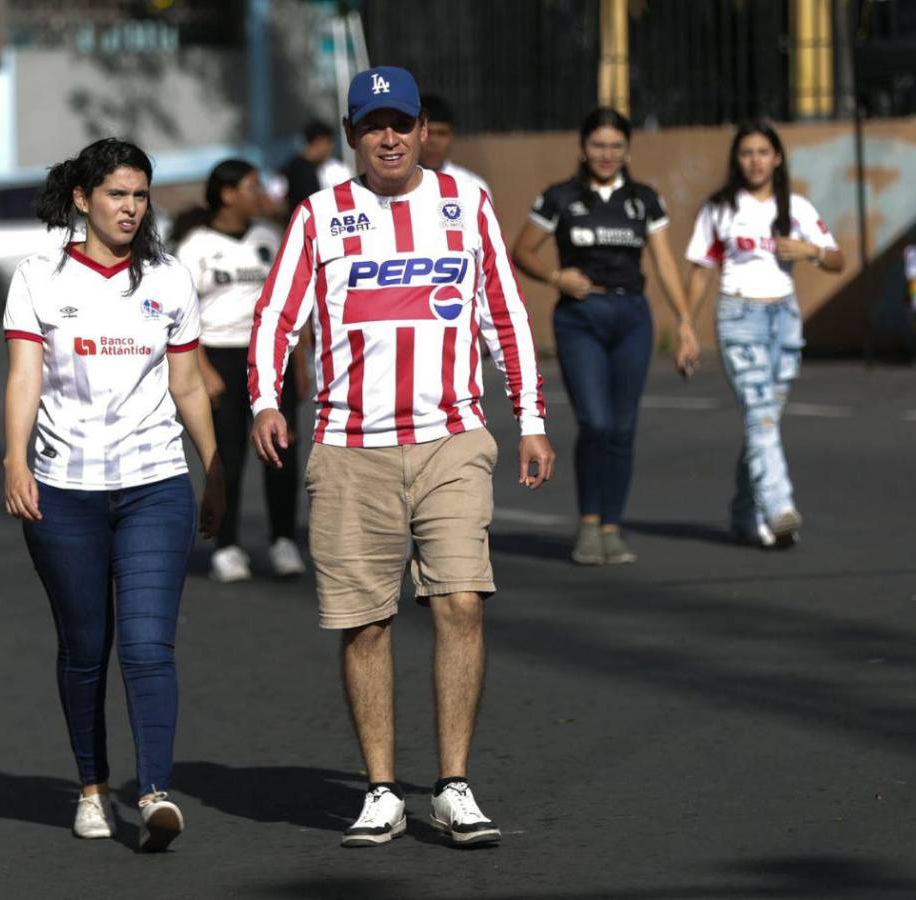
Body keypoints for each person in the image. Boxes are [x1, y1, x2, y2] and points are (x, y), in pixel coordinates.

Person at [249, 66, 554, 848]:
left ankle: (453, 786)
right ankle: (382, 791)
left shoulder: (467, 204)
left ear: (422, 130)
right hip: (350, 448)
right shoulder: (320, 216)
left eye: (401, 123)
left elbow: (505, 315)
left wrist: (530, 418)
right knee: (365, 624)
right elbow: (276, 317)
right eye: (372, 125)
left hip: (452, 437)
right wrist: (265, 402)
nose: (388, 138)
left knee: (462, 602)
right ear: (352, 136)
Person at [2, 138, 225, 851]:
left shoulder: (169, 276)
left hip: (154, 484)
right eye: (117, 195)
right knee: (85, 647)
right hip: (64, 492)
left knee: (149, 643)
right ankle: (93, 787)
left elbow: (187, 383)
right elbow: (25, 377)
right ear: (83, 198)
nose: (131, 208)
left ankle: (154, 792)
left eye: (140, 195)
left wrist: (213, 465)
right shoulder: (39, 276)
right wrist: (15, 459)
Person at [512, 107, 699, 566]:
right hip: (581, 318)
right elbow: (522, 250)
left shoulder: (644, 200)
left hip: (632, 317)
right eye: (598, 145)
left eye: (616, 146)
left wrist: (685, 322)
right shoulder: (559, 197)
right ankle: (589, 521)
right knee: (595, 422)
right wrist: (556, 277)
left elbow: (664, 263)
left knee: (623, 426)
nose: (607, 154)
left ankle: (611, 526)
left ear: (627, 150)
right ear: (583, 147)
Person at [683, 120, 844, 548]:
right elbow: (699, 271)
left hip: (784, 319)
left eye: (762, 152)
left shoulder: (796, 208)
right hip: (739, 316)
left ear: (777, 158)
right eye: (746, 153)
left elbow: (837, 260)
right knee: (761, 416)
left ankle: (743, 511)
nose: (755, 161)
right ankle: (778, 507)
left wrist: (809, 250)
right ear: (736, 160)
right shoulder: (720, 208)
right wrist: (685, 326)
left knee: (763, 422)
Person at [174, 159, 307, 582]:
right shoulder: (195, 246)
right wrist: (203, 369)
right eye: (252, 187)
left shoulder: (269, 237)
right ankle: (227, 547)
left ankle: (283, 541)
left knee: (281, 453)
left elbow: (290, 307)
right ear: (227, 194)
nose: (261, 195)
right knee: (227, 457)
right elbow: (181, 315)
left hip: (269, 358)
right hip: (219, 358)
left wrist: (299, 365)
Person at [419, 93, 491, 198]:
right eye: (428, 133)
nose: (434, 142)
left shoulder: (474, 187)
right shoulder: (399, 185)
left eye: (442, 133)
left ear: (452, 135)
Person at [280, 120, 347, 219]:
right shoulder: (297, 169)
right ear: (318, 141)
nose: (330, 148)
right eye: (328, 143)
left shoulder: (332, 168)